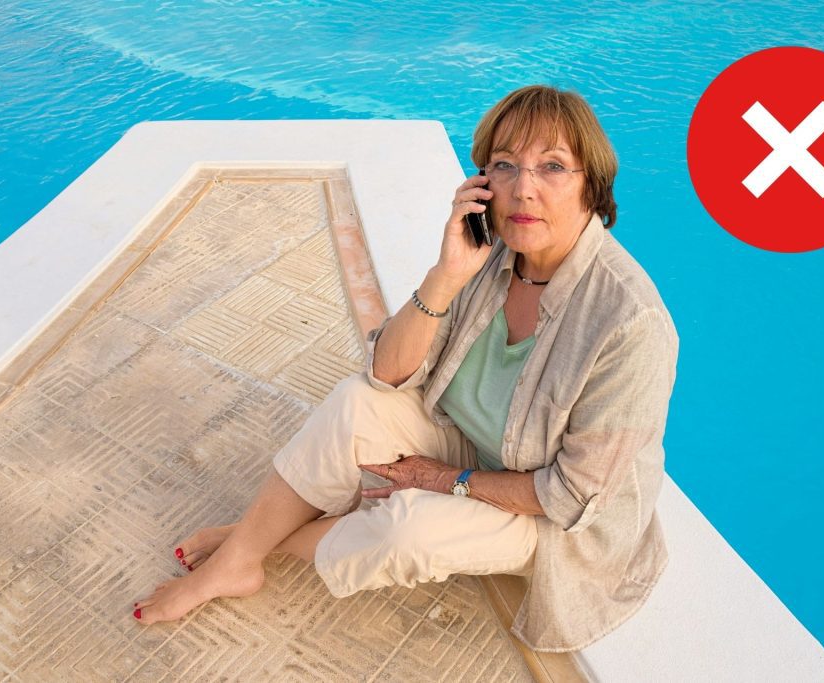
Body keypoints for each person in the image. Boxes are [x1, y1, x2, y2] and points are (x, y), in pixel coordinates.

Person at [133, 85, 679, 652]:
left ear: (593, 184)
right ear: (483, 182)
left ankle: (259, 541)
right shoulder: (490, 252)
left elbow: (570, 497)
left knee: (408, 530)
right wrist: (446, 275)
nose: (524, 188)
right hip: (476, 443)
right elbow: (385, 375)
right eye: (504, 165)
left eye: (553, 167)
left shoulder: (629, 323)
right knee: (354, 403)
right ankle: (241, 558)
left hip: (551, 516)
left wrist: (444, 481)